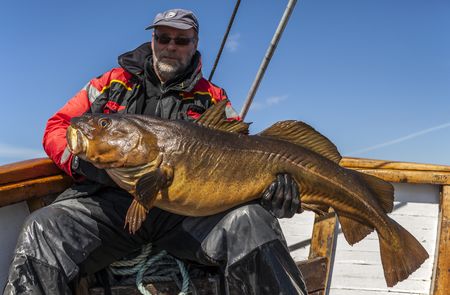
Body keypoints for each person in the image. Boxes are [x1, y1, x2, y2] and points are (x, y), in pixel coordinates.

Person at [4, 8, 307, 295]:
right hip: (108, 206)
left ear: (194, 44)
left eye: (181, 40)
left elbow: (243, 157)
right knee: (42, 231)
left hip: (186, 215)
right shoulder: (110, 83)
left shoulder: (214, 99)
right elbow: (58, 127)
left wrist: (271, 192)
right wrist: (85, 167)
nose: (170, 46)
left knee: (253, 224)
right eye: (163, 38)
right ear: (153, 40)